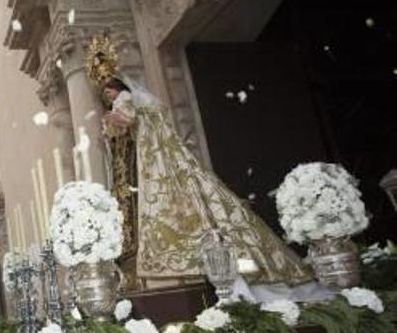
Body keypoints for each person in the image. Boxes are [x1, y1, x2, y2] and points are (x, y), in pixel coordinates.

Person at [92, 63, 311, 287]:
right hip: (149, 153)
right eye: (105, 94)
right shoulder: (132, 101)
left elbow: (127, 120)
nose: (107, 96)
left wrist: (109, 119)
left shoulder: (124, 98)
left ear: (117, 86)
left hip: (152, 155)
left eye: (108, 91)